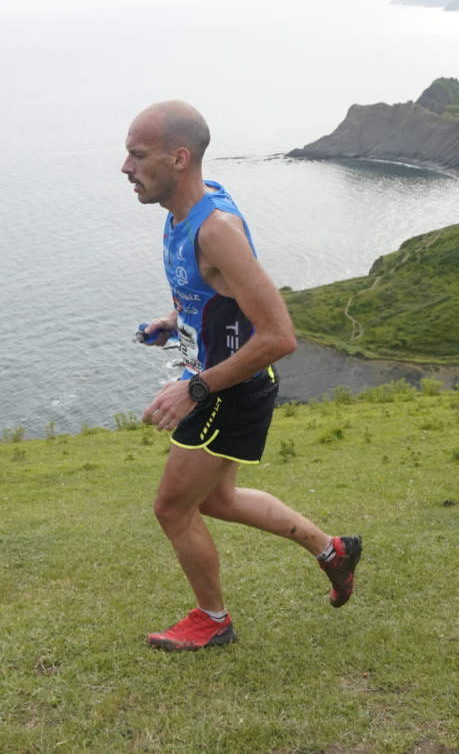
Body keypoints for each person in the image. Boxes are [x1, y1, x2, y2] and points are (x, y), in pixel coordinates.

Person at [122, 100, 361, 652]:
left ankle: (213, 620)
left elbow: (279, 336)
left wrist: (195, 387)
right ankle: (333, 551)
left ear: (179, 158)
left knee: (173, 506)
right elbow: (212, 291)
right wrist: (174, 320)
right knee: (217, 500)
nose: (126, 168)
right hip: (222, 380)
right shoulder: (183, 213)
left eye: (137, 155)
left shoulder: (216, 229)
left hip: (227, 388)